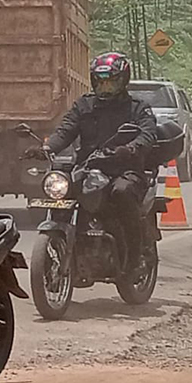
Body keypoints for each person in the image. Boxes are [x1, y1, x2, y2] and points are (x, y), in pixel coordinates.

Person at [43, 51, 157, 271]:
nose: (105, 88)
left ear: (123, 81)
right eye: (101, 83)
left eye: (111, 83)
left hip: (124, 170)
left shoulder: (137, 108)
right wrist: (46, 147)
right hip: (88, 168)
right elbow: (65, 130)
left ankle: (134, 257)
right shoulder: (83, 106)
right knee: (61, 191)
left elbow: (147, 134)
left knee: (121, 193)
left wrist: (131, 149)